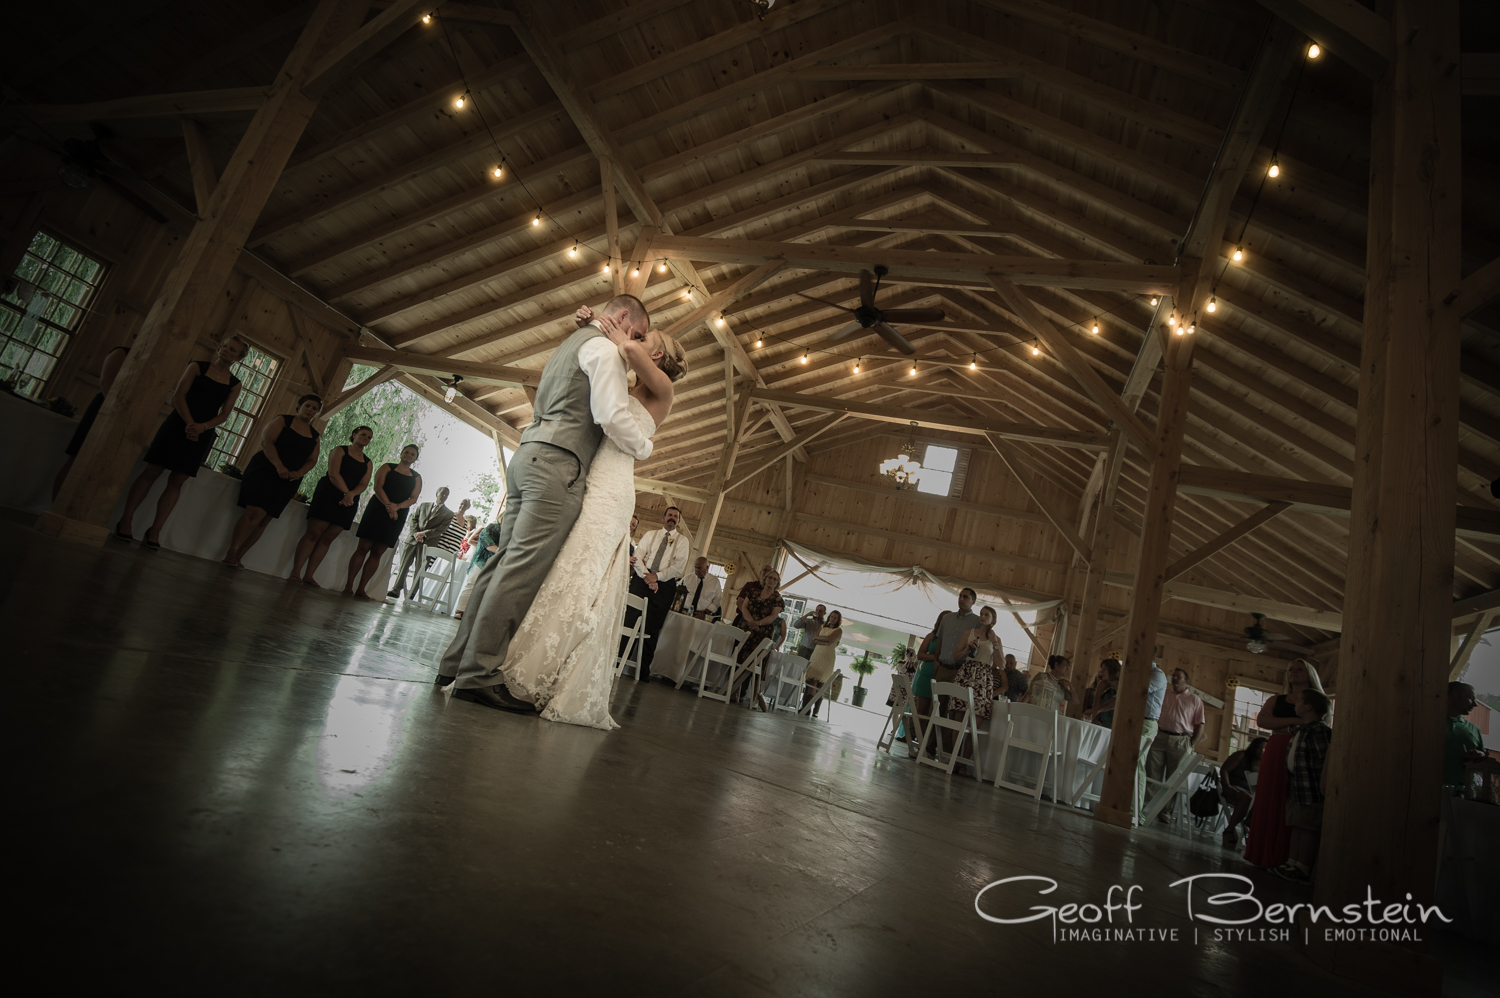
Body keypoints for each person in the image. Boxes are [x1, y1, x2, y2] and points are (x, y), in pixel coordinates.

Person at [446, 315, 684, 726]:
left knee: (576, 577)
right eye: (637, 333)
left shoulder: (663, 389)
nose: (636, 340)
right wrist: (589, 324)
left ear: (656, 353)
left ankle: (536, 670)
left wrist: (607, 328)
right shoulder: (627, 384)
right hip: (582, 478)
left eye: (645, 338)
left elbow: (624, 351)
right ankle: (499, 662)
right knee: (549, 569)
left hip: (610, 492)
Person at [115, 335, 246, 547]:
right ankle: (126, 520)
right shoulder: (197, 366)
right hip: (178, 424)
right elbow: (179, 395)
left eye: (232, 350)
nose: (226, 351)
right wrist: (190, 423)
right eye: (225, 347)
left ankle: (155, 530)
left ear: (239, 358)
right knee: (152, 471)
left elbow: (225, 415)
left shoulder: (234, 383)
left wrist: (201, 427)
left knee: (177, 481)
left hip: (202, 432)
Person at [222, 394, 323, 568]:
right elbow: (266, 441)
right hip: (266, 470)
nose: (310, 410)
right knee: (255, 512)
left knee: (265, 518)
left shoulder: (314, 435)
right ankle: (232, 550)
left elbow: (312, 460)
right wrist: (279, 466)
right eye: (307, 406)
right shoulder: (283, 420)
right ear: (299, 406)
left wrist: (299, 473)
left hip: (289, 479)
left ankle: (240, 556)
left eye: (314, 408)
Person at [1244, 659, 1324, 868]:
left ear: (1310, 674)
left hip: (1302, 754)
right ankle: (1263, 853)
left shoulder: (1319, 700)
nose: (1294, 672)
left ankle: (1289, 859)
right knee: (1270, 797)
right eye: (1291, 670)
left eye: (1300, 669)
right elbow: (1262, 722)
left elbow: (1318, 723)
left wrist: (1282, 726)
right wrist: (1296, 722)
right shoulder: (1277, 699)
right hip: (1276, 751)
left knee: (1293, 801)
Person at [292, 425, 374, 586]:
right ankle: (295, 572)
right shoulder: (340, 450)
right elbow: (333, 473)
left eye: (369, 437)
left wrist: (351, 495)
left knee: (328, 538)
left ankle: (309, 575)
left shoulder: (368, 462)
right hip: (329, 494)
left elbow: (364, 483)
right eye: (363, 434)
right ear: (354, 434)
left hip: (349, 501)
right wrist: (347, 493)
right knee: (313, 534)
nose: (366, 438)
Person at [343, 444, 423, 600]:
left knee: (378, 552)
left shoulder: (416, 477)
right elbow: (378, 487)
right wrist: (389, 506)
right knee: (363, 547)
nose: (408, 455)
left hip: (397, 515)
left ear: (415, 458)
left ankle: (361, 588)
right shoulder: (388, 467)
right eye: (406, 452)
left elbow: (413, 498)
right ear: (401, 453)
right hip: (377, 509)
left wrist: (397, 507)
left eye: (412, 454)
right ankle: (348, 585)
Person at [1272, 689, 1333, 884]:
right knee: (1297, 824)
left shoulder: (1320, 731)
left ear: (1308, 707)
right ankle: (1292, 862)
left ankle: (1303, 867)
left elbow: (1325, 760)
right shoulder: (1302, 728)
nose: (1295, 704)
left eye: (1299, 702)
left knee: (1307, 827)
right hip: (1297, 786)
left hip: (1311, 790)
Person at [54, 343, 129, 498]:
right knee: (78, 456)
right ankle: (56, 503)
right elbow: (106, 383)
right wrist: (115, 410)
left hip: (127, 413)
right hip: (105, 408)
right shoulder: (121, 352)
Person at [625, 506, 691, 679]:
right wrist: (647, 577)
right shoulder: (650, 535)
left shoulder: (682, 541)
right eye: (669, 515)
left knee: (652, 628)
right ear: (664, 518)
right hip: (641, 580)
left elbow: (679, 566)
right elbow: (638, 556)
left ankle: (642, 670)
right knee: (629, 620)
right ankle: (617, 661)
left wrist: (658, 577)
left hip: (664, 587)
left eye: (676, 516)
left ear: (678, 521)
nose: (672, 518)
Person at [1144, 667, 1207, 821]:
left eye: (1179, 676)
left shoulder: (1195, 700)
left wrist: (1191, 744)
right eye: (1174, 676)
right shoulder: (1164, 693)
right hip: (1160, 736)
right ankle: (1148, 807)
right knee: (1153, 773)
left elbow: (1200, 724)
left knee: (1173, 778)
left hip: (1181, 740)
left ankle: (1165, 811)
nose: (1175, 678)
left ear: (1186, 681)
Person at [732, 567, 785, 711]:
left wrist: (758, 623)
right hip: (747, 629)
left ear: (777, 583)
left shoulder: (778, 599)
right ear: (764, 579)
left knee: (757, 664)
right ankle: (734, 691)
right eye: (770, 578)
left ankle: (756, 695)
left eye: (775, 579)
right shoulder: (752, 592)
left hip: (763, 633)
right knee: (740, 659)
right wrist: (751, 622)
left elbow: (774, 616)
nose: (772, 581)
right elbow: (744, 607)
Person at [388, 487, 455, 599]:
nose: (444, 496)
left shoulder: (448, 513)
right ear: (437, 493)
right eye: (442, 493)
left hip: (428, 544)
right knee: (404, 566)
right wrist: (416, 534)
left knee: (420, 569)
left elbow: (441, 529)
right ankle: (395, 590)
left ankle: (412, 594)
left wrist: (424, 533)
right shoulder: (424, 505)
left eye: (446, 495)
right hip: (413, 540)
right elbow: (413, 519)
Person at [950, 606, 1005, 722]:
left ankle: (971, 740)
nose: (983, 617)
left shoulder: (996, 639)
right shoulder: (968, 633)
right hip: (966, 673)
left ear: (993, 619)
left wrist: (994, 642)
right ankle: (955, 740)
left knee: (976, 719)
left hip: (983, 677)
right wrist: (967, 650)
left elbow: (1002, 664)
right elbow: (955, 657)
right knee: (959, 716)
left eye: (986, 615)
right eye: (981, 614)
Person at [1219, 736, 1267, 850]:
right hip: (1234, 788)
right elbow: (1224, 770)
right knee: (1246, 798)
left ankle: (1255, 838)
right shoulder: (1242, 756)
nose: (1262, 751)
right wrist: (1227, 786)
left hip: (1253, 793)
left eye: (1265, 749)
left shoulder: (1266, 764)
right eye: (1260, 748)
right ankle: (1229, 830)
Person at [910, 610, 951, 743]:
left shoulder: (952, 640)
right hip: (926, 673)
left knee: (935, 712)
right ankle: (921, 741)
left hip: (941, 676)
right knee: (921, 711)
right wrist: (935, 657)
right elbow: (920, 655)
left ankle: (930, 743)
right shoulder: (931, 636)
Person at [454, 520, 501, 620]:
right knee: (471, 584)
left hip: (495, 563)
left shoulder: (509, 531)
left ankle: (472, 613)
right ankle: (460, 610)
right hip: (481, 560)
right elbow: (487, 542)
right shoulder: (493, 527)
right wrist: (502, 552)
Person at [1445, 681, 1487, 793]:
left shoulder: (1474, 729)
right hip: (1433, 795)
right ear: (1453, 695)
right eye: (1471, 698)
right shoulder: (1428, 724)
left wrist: (1480, 756)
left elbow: (1483, 763)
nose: (1475, 704)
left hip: (1466, 795)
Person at [802, 610, 843, 716]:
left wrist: (822, 639)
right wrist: (825, 642)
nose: (832, 619)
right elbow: (814, 639)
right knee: (812, 681)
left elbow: (830, 639)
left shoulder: (838, 630)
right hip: (817, 654)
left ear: (838, 620)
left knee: (820, 684)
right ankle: (806, 709)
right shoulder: (822, 626)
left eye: (835, 618)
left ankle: (816, 711)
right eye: (832, 616)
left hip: (827, 657)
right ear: (829, 617)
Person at [1081, 659, 1121, 727]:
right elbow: (1096, 705)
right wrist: (1091, 724)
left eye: (1104, 669)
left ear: (1112, 670)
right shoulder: (1102, 684)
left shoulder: (1122, 686)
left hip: (1116, 724)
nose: (1101, 671)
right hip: (1100, 722)